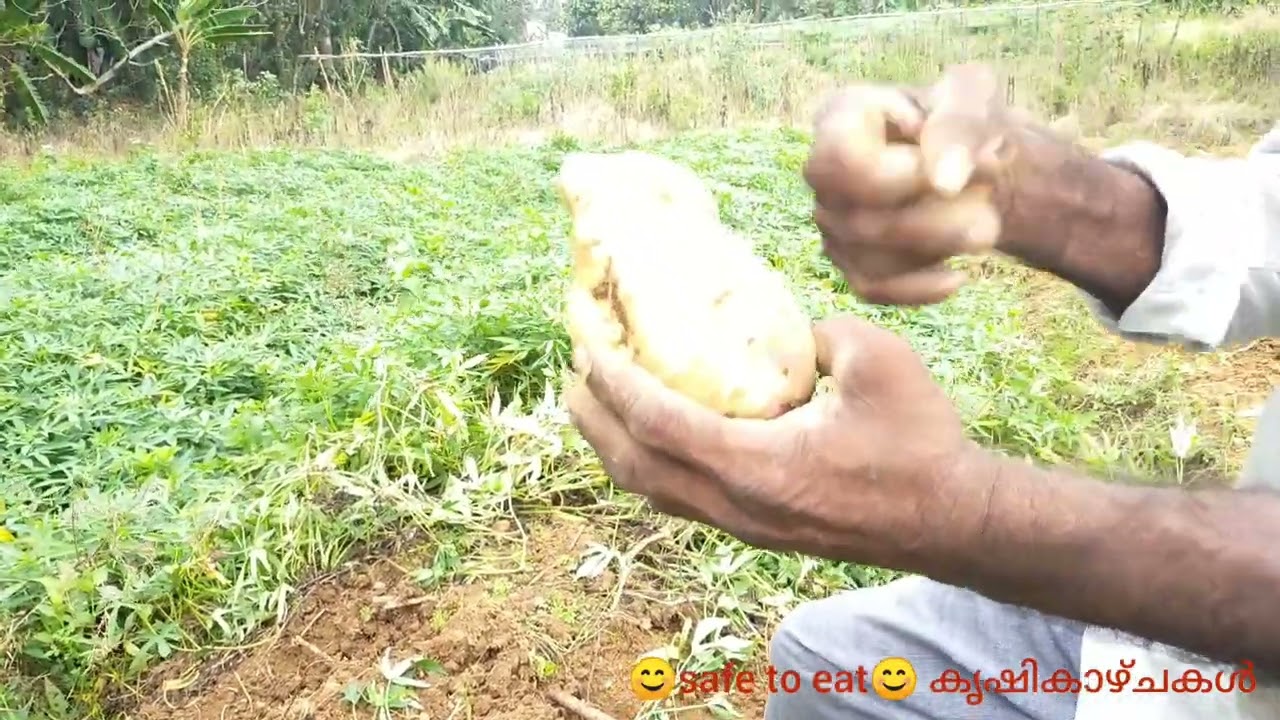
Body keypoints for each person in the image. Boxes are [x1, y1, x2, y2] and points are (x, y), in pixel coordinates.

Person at [565, 63, 1280, 720]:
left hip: (1231, 638)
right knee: (820, 660)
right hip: (1188, 650)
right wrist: (1033, 190)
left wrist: (960, 512)